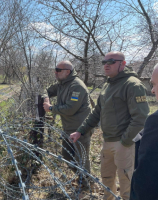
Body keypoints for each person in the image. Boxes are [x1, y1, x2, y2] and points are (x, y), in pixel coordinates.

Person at [70, 52, 149, 200]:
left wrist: (125, 141)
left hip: (124, 144)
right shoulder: (107, 84)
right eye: (104, 62)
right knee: (107, 179)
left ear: (123, 63)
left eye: (111, 61)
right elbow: (96, 112)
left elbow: (140, 118)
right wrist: (80, 131)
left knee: (126, 184)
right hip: (107, 142)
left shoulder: (132, 84)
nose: (106, 65)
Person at [42, 60, 93, 189]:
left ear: (67, 72)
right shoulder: (62, 84)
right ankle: (81, 178)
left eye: (58, 70)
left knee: (81, 158)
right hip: (68, 128)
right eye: (55, 69)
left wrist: (51, 108)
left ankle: (85, 186)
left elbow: (70, 109)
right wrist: (46, 99)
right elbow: (45, 90)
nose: (55, 72)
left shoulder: (76, 86)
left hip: (80, 129)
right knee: (67, 156)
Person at [130, 64, 158, 200]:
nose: (152, 90)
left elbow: (147, 179)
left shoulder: (155, 121)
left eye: (154, 84)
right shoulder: (108, 86)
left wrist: (126, 138)